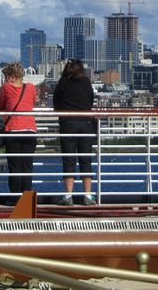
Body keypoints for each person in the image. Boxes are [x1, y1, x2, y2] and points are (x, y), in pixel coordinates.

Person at [53, 59, 97, 206]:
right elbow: (90, 101)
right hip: (86, 123)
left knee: (69, 160)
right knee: (86, 160)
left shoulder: (62, 82)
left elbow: (56, 103)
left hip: (68, 124)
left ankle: (68, 196)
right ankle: (88, 196)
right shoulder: (86, 82)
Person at [0, 63, 37, 205]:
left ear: (11, 76)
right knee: (27, 167)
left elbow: (0, 105)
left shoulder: (6, 87)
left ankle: (15, 199)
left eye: (6, 77)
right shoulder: (30, 87)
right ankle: (27, 198)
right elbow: (32, 103)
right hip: (30, 131)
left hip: (13, 131)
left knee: (15, 167)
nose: (5, 80)